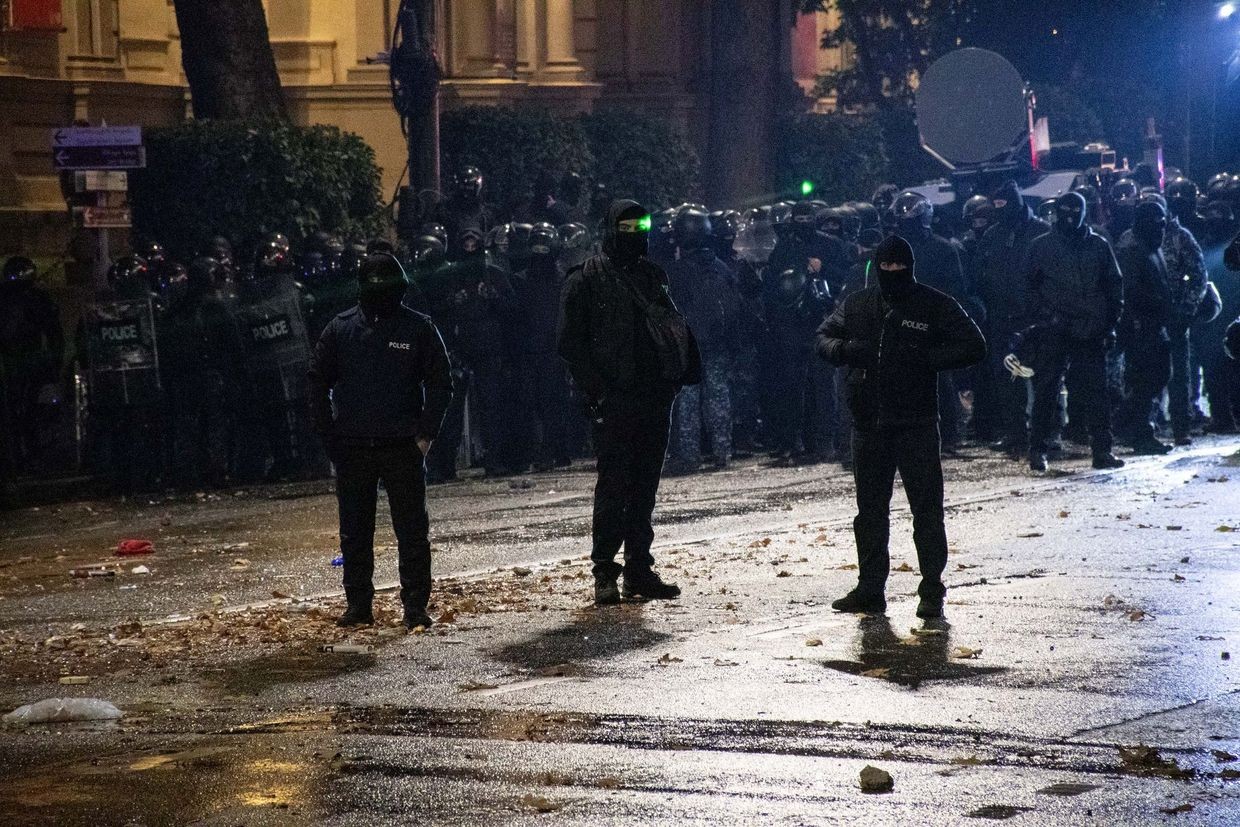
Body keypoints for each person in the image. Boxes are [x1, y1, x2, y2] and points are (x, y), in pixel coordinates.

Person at [816, 235, 986, 618]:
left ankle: (931, 588)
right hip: (869, 422)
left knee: (926, 511)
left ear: (910, 267)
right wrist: (844, 352)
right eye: (885, 267)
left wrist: (927, 359)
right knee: (870, 512)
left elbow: (975, 345)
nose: (892, 273)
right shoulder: (858, 304)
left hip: (916, 422)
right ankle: (870, 588)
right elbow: (824, 337)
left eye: (898, 267)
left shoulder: (933, 304)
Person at [558, 199, 698, 605]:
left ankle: (639, 568)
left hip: (653, 397)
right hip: (614, 399)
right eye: (627, 225)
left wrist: (672, 379)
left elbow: (671, 327)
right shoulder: (586, 278)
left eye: (641, 225)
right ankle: (605, 571)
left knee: (645, 487)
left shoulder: (653, 275)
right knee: (614, 487)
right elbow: (570, 343)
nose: (635, 232)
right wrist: (597, 392)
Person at [309, 253, 453, 630]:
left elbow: (442, 382)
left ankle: (415, 607)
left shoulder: (417, 328)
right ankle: (359, 606)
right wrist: (331, 438)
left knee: (412, 532)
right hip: (354, 446)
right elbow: (316, 382)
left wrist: (425, 435)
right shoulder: (341, 329)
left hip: (401, 445)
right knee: (355, 532)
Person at [1024, 192, 1126, 472]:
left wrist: (1107, 323)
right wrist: (1048, 316)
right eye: (1065, 212)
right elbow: (1029, 289)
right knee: (1047, 390)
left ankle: (1102, 450)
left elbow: (1113, 286)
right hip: (1056, 328)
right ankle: (1038, 449)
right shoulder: (1042, 246)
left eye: (1075, 212)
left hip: (1089, 329)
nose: (1070, 218)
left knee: (1095, 393)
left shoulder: (1098, 245)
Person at [975, 182, 1050, 458]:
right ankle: (1015, 433)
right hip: (1002, 317)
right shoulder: (994, 235)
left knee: (1043, 377)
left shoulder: (1040, 231)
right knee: (1008, 378)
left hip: (1035, 316)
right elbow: (982, 273)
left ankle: (1046, 433)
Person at [666, 207, 740, 473]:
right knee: (719, 395)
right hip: (717, 342)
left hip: (688, 344)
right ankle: (722, 452)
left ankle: (689, 455)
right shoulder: (720, 267)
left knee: (687, 400)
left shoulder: (676, 271)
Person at [1115, 201, 1175, 454]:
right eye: (1156, 224)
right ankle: (1136, 430)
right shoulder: (1134, 252)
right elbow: (1129, 293)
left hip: (1154, 325)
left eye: (1163, 225)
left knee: (1158, 375)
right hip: (1141, 327)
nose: (1161, 230)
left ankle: (1132, 425)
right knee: (1144, 381)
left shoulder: (1152, 250)